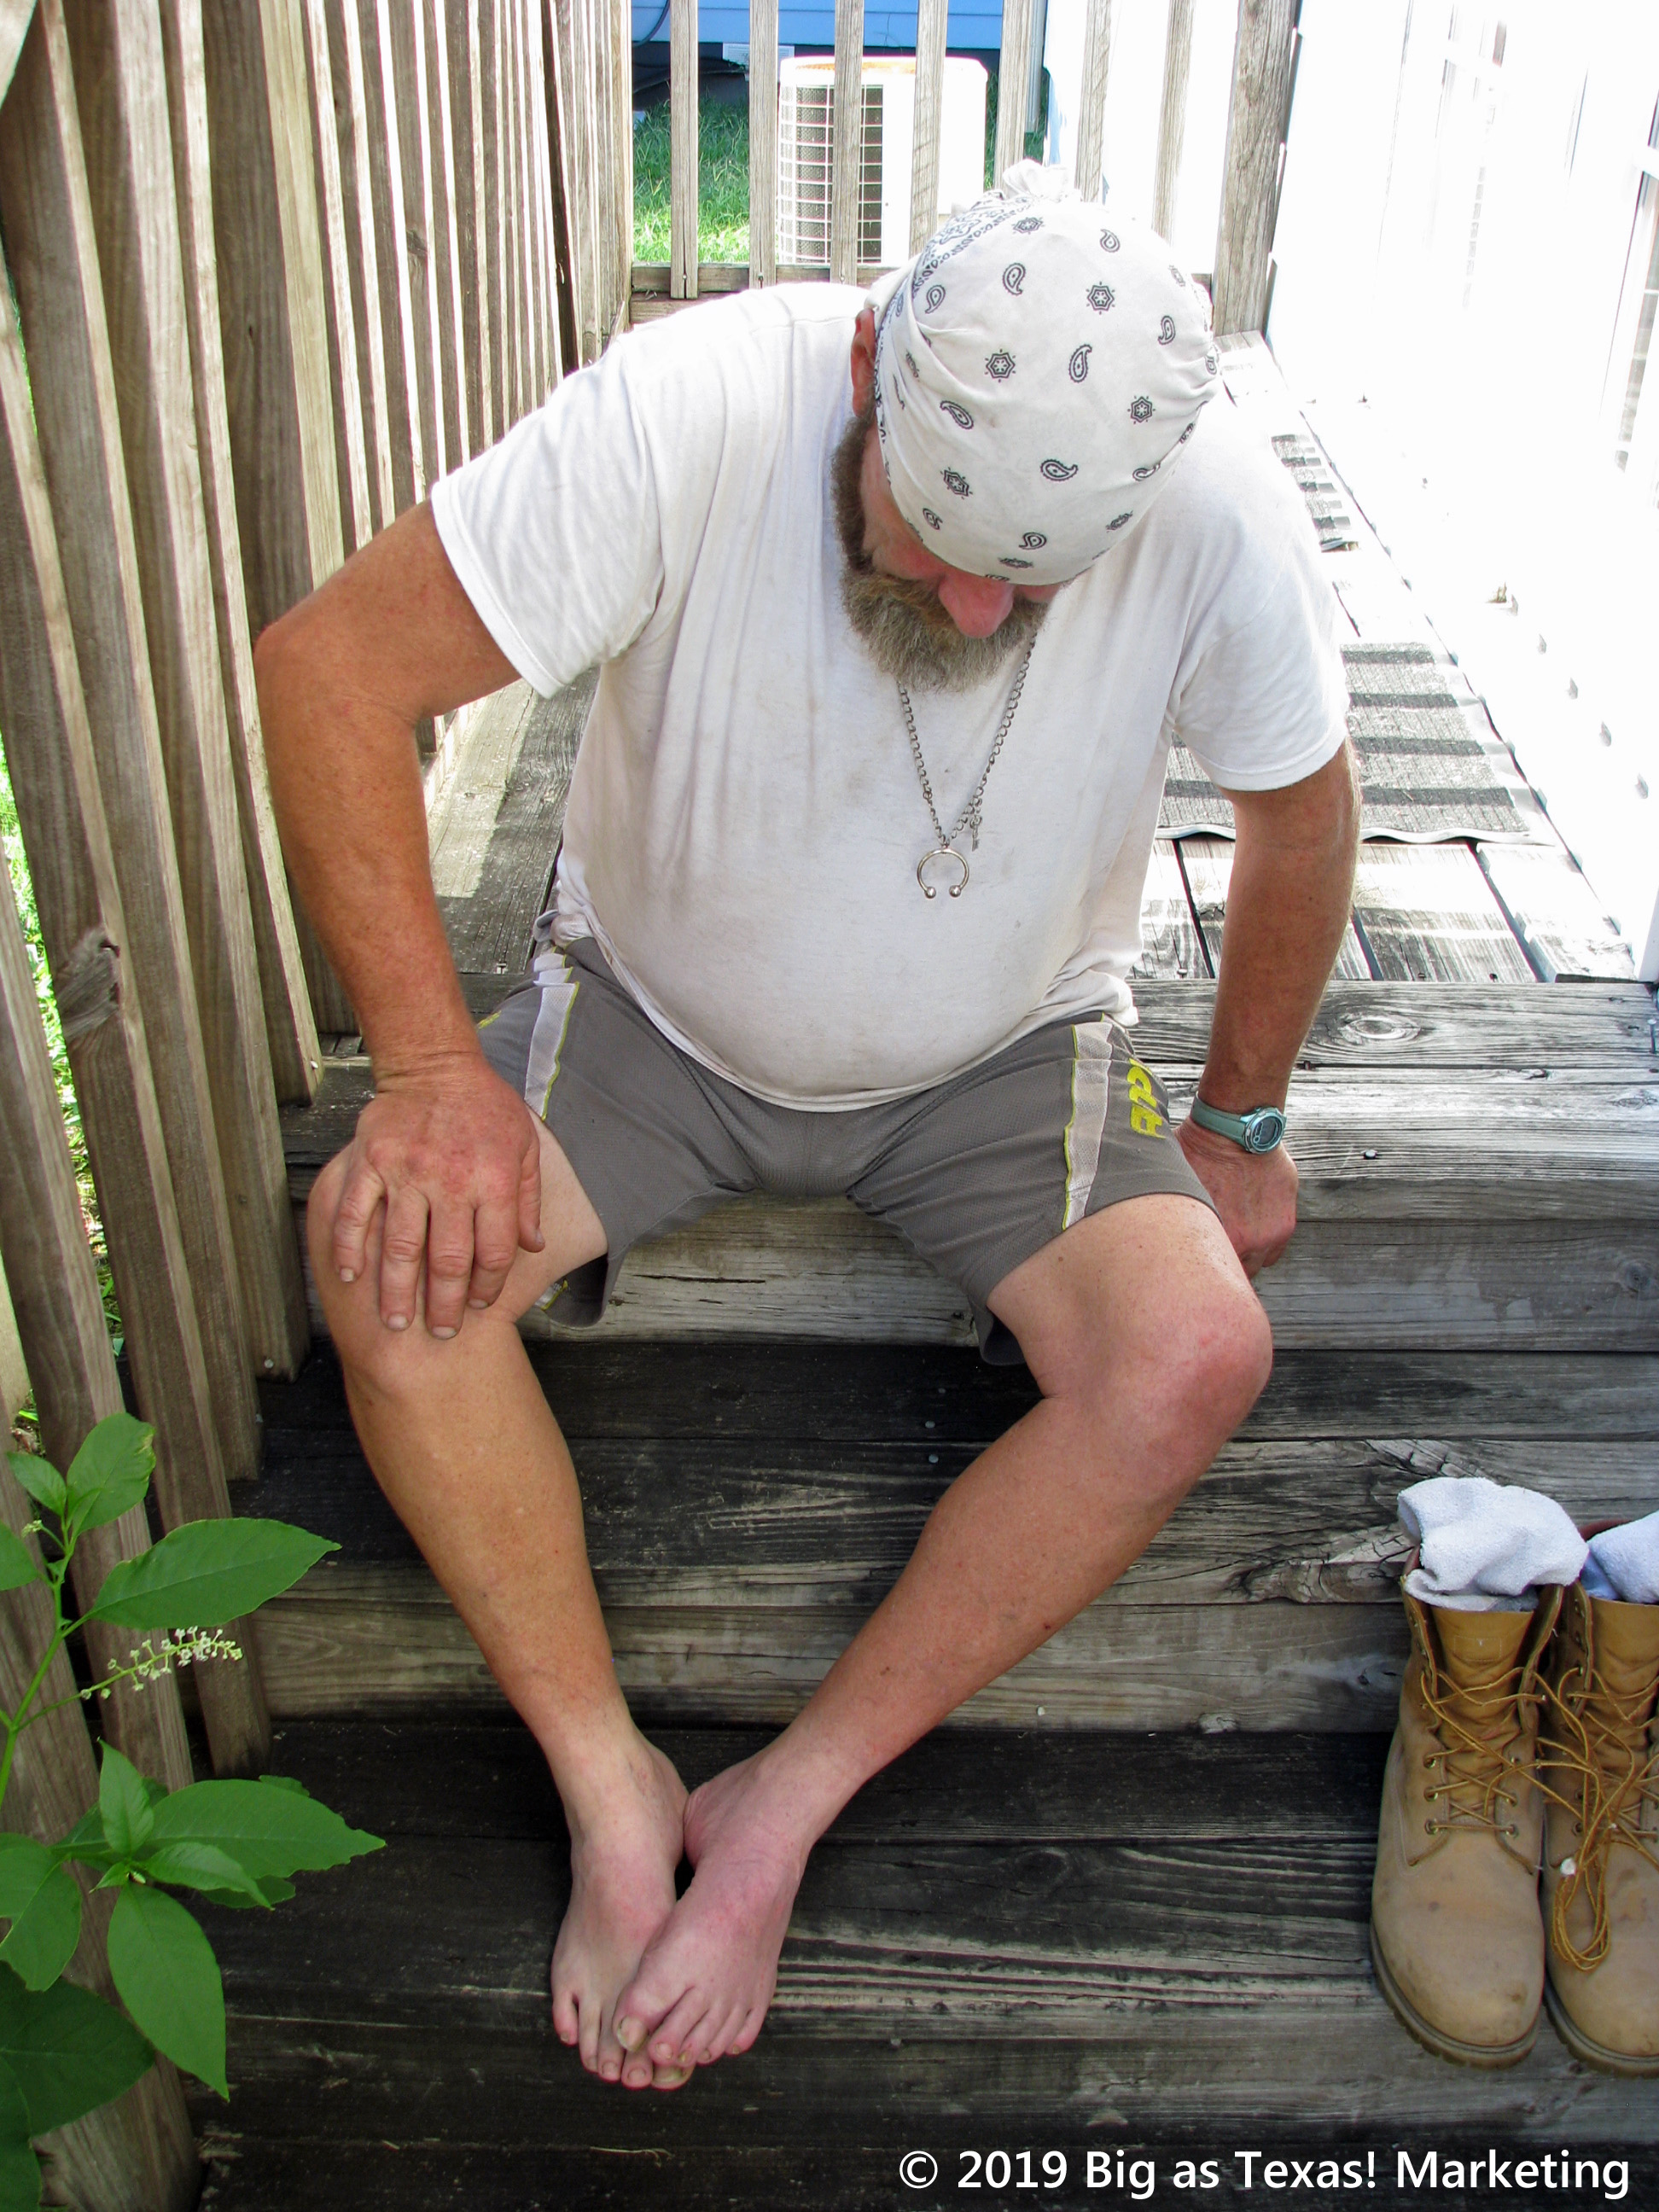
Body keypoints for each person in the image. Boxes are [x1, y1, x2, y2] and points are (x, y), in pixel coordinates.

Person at [256, 177, 1359, 2097]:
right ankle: (610, 1785)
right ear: (869, 368)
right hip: (651, 1018)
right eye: (937, 536)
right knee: (388, 1268)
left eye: (1033, 582)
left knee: (1197, 1354)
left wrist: (1242, 1110)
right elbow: (327, 668)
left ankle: (783, 1803)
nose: (975, 607)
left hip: (1014, 1050)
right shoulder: (692, 406)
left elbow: (1304, 806)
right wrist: (430, 1078)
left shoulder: (1218, 508)